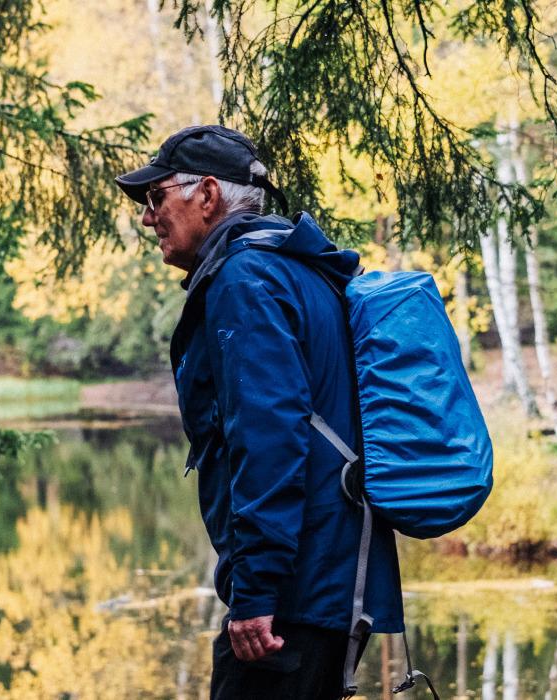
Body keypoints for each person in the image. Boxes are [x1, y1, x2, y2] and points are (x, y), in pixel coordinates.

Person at [118, 125, 402, 698]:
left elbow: (270, 441)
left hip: (293, 597)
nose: (148, 217)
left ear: (206, 194)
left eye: (155, 198)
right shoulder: (295, 268)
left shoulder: (245, 280)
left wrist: (257, 593)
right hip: (326, 581)